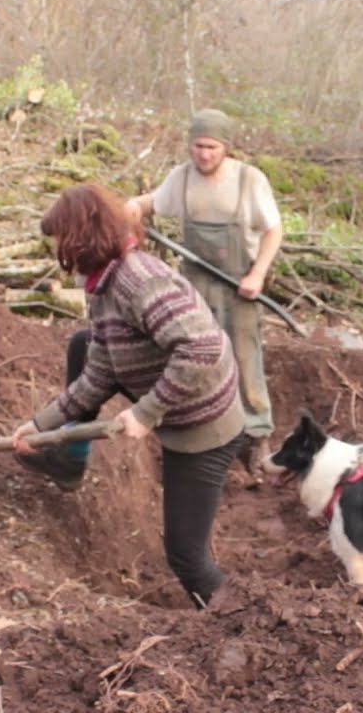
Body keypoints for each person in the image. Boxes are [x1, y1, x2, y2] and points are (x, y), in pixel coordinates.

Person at [12, 182, 245, 608]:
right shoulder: (103, 286)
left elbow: (202, 347)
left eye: (58, 242)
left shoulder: (139, 282)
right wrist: (42, 424)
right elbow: (98, 373)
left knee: (186, 557)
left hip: (204, 424)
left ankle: (238, 627)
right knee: (82, 346)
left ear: (80, 237)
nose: (56, 254)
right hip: (178, 405)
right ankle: (69, 458)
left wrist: (146, 412)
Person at [124, 108, 284, 477]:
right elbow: (154, 203)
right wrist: (134, 205)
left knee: (245, 359)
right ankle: (200, 434)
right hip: (195, 286)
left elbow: (273, 231)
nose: (204, 154)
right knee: (196, 358)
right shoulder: (181, 179)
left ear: (225, 147)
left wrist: (257, 274)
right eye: (198, 146)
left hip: (239, 285)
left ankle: (256, 438)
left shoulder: (249, 181)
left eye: (212, 147)